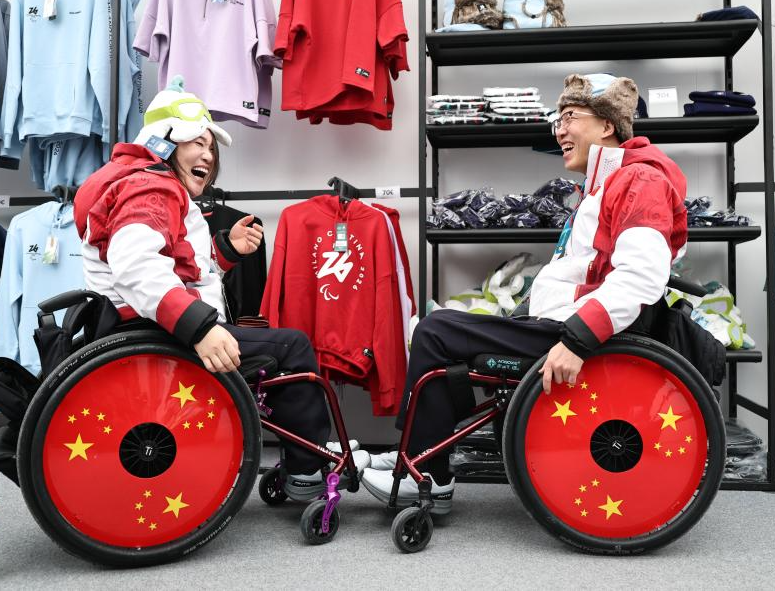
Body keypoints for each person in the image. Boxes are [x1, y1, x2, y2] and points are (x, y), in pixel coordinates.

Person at [361, 73, 688, 514]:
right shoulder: (604, 184)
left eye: (570, 117)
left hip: (581, 338)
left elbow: (642, 275)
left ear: (608, 124)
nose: (559, 130)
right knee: (441, 329)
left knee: (436, 331)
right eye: (558, 119)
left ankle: (426, 469)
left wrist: (577, 340)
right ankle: (418, 452)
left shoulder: (639, 181)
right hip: (563, 325)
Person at [74, 76, 367, 500]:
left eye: (211, 147)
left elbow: (173, 265)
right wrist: (200, 328)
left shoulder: (137, 181)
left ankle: (304, 452)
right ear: (164, 141)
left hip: (142, 330)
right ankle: (307, 468)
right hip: (162, 337)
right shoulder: (150, 187)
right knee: (293, 346)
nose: (209, 156)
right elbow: (136, 266)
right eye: (198, 142)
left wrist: (225, 250)